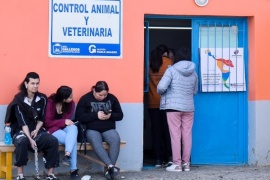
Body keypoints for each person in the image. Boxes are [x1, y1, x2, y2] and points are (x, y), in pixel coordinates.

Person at [4, 72, 60, 180]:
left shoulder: (42, 98)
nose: (35, 86)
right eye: (32, 83)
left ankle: (50, 174)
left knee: (52, 140)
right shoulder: (19, 100)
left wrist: (36, 130)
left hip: (36, 129)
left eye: (37, 83)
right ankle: (20, 175)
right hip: (20, 131)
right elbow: (22, 122)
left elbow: (41, 119)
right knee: (22, 141)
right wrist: (30, 138)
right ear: (26, 84)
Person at [157, 47, 198, 172]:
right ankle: (186, 164)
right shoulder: (194, 72)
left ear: (176, 58)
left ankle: (177, 164)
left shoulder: (171, 70)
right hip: (189, 107)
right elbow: (195, 91)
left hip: (173, 107)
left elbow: (161, 87)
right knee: (187, 134)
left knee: (175, 135)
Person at [75, 81, 123, 180]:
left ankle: (109, 170)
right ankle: (111, 167)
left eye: (105, 95)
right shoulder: (85, 99)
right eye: (100, 95)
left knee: (115, 139)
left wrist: (111, 115)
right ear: (94, 91)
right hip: (91, 129)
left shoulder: (112, 98)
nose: (103, 97)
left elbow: (120, 115)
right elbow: (79, 116)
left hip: (108, 128)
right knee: (95, 140)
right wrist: (95, 115)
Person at [44, 86, 80, 179]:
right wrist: (63, 122)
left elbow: (67, 121)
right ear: (63, 98)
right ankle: (73, 170)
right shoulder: (50, 103)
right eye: (70, 97)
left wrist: (64, 123)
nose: (72, 98)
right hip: (53, 130)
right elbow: (47, 123)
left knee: (73, 128)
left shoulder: (71, 104)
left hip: (60, 128)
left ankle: (67, 153)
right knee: (73, 141)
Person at [148, 44, 173, 167]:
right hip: (167, 102)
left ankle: (158, 159)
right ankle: (169, 157)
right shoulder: (169, 63)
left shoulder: (150, 63)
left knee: (156, 132)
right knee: (168, 131)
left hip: (152, 102)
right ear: (166, 53)